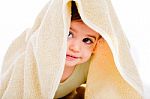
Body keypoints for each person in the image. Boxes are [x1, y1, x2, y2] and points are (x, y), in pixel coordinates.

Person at [0, 0, 143, 99]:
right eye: (68, 34)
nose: (75, 47)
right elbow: (17, 88)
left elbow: (108, 84)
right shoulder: (39, 57)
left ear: (97, 45)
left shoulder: (88, 65)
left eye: (87, 40)